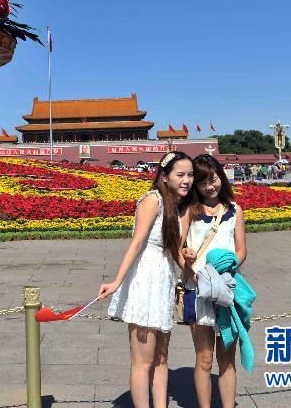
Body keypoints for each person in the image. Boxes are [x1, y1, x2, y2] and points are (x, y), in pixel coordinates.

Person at [97, 151, 194, 408]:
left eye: (190, 175)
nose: (187, 180)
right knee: (143, 361)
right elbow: (138, 241)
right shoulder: (153, 199)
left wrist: (193, 272)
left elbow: (173, 250)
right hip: (145, 280)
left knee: (162, 357)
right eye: (180, 174)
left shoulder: (173, 204)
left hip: (162, 280)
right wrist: (117, 281)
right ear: (164, 176)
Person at [179, 154, 247, 408]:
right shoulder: (189, 211)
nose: (210, 186)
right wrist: (187, 259)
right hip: (198, 290)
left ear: (221, 177)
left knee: (227, 359)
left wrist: (229, 269)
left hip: (228, 289)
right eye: (203, 182)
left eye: (214, 179)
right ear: (195, 185)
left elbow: (241, 250)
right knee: (204, 358)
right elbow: (179, 246)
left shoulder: (234, 210)